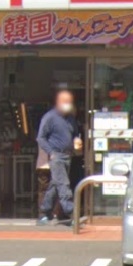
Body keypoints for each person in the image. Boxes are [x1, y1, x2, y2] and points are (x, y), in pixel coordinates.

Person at [36, 89, 82, 225]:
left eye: (69, 102)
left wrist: (76, 140)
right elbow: (40, 138)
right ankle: (72, 213)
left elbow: (75, 134)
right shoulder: (49, 117)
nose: (68, 104)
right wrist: (51, 152)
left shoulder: (70, 119)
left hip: (68, 155)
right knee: (63, 184)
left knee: (55, 185)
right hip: (56, 156)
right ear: (58, 102)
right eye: (65, 101)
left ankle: (44, 212)